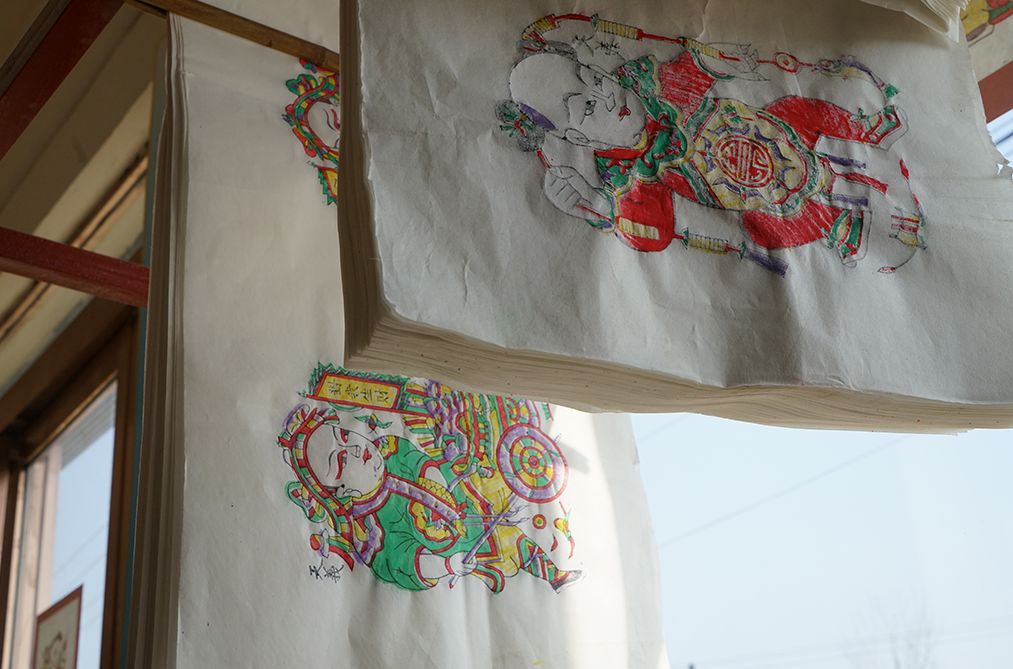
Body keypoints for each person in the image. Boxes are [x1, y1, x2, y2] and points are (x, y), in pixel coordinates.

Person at [503, 38, 926, 273]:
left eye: (594, 78)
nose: (606, 95)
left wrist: (715, 63)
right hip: (745, 192)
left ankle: (862, 129)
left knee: (795, 109)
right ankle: (833, 223)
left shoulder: (649, 87)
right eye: (587, 107)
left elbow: (689, 72)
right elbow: (652, 232)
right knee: (765, 229)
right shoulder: (625, 173)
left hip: (762, 128)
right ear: (578, 138)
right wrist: (593, 207)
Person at [285, 406, 582, 593]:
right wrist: (447, 565)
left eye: (345, 436)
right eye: (340, 461)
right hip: (452, 549)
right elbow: (402, 563)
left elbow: (418, 460)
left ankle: (553, 575)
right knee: (508, 545)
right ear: (341, 492)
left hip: (461, 506)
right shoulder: (369, 528)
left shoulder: (388, 448)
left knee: (513, 533)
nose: (352, 449)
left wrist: (437, 483)